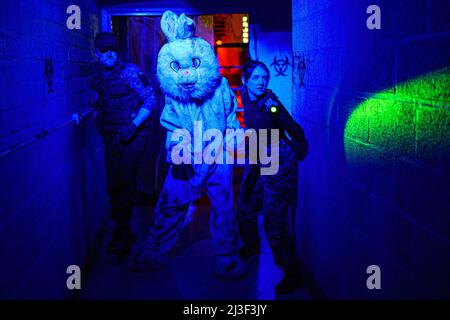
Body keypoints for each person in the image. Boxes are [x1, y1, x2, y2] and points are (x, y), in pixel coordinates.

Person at [131, 11, 245, 279]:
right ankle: (155, 248)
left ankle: (227, 254)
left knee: (224, 206)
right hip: (187, 160)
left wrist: (231, 141)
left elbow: (230, 119)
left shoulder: (221, 89)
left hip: (218, 157)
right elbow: (172, 128)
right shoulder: (174, 98)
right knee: (171, 201)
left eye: (194, 64)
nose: (187, 74)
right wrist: (183, 156)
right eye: (178, 68)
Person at [237, 60, 309, 294]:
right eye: (256, 78)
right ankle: (251, 244)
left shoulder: (271, 104)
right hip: (257, 151)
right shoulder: (247, 97)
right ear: (245, 81)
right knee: (245, 203)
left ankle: (291, 271)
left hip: (276, 157)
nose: (261, 82)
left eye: (264, 78)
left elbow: (294, 129)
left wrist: (299, 145)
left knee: (273, 219)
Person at [90, 32, 157, 257]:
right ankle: (124, 229)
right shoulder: (98, 75)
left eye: (113, 50)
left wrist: (133, 126)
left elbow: (151, 99)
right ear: (96, 52)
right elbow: (100, 101)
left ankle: (121, 232)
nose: (110, 54)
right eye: (104, 50)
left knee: (126, 181)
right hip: (114, 135)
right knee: (114, 184)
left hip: (135, 134)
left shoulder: (130, 71)